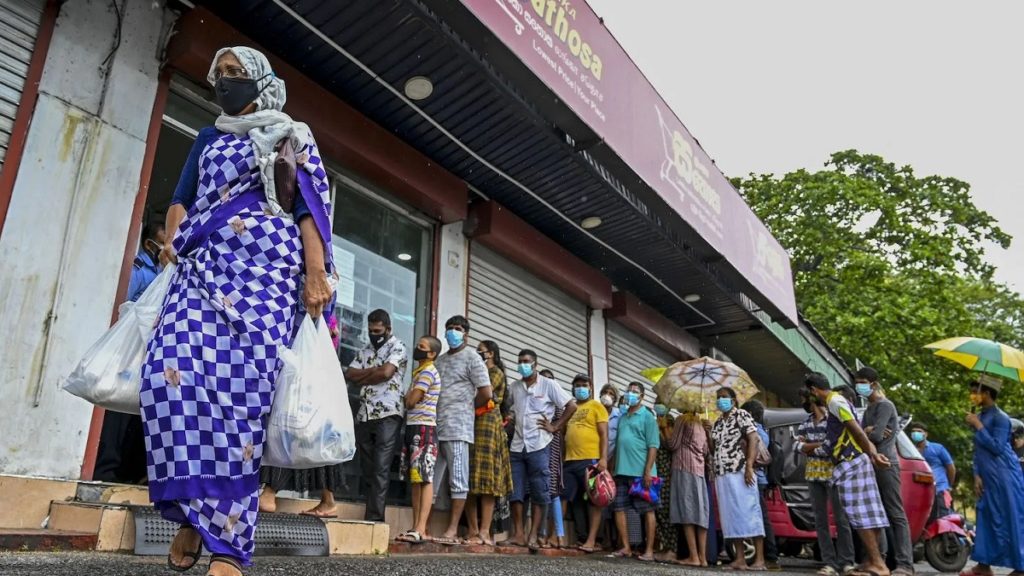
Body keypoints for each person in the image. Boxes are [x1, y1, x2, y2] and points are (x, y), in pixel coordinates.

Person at [145, 46, 335, 576]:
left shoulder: (291, 133)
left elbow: (309, 207)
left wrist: (315, 272)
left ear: (261, 80)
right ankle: (192, 508)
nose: (225, 81)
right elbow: (182, 198)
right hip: (202, 270)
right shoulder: (209, 137)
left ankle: (226, 545)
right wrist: (173, 239)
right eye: (220, 73)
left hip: (265, 281)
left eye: (236, 73)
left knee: (239, 404)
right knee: (167, 377)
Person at [94, 223, 167, 484]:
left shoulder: (163, 272)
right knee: (118, 411)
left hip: (148, 354)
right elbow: (121, 307)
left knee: (140, 413)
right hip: (128, 353)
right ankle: (106, 470)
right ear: (150, 245)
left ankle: (130, 472)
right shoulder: (139, 270)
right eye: (164, 240)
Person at [803, 373, 891, 576]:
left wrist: (873, 454)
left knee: (860, 515)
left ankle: (878, 563)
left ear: (813, 390)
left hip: (851, 462)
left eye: (809, 393)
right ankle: (872, 561)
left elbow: (857, 431)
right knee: (867, 513)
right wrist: (872, 454)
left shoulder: (835, 402)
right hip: (855, 461)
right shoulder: (837, 401)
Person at [342, 309, 409, 522]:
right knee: (368, 468)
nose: (373, 334)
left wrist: (368, 375)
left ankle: (375, 520)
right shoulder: (365, 350)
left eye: (378, 331)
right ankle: (370, 512)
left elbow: (386, 373)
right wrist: (374, 372)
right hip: (365, 414)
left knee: (381, 467)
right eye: (371, 331)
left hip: (389, 413)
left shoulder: (398, 347)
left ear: (388, 329)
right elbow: (350, 375)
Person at [504, 352, 576, 549]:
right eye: (520, 362)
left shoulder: (548, 384)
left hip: (539, 445)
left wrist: (556, 426)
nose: (522, 365)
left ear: (535, 364)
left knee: (540, 490)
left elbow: (571, 406)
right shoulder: (515, 387)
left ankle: (534, 535)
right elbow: (507, 408)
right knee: (515, 491)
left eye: (526, 362)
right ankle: (518, 534)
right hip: (517, 445)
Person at [431, 315, 492, 545]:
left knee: (458, 480)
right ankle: (424, 527)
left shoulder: (473, 358)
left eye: (457, 328)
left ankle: (452, 529)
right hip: (435, 425)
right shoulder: (440, 361)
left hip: (459, 428)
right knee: (431, 479)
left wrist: (466, 408)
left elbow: (486, 393)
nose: (452, 332)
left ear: (466, 333)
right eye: (449, 328)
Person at [962, 375, 1024, 576]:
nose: (972, 396)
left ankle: (1021, 567)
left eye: (975, 392)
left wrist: (978, 426)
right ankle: (983, 565)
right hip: (986, 475)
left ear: (987, 393)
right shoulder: (980, 415)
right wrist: (977, 474)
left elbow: (997, 447)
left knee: (1010, 517)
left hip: (1004, 474)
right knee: (985, 516)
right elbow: (978, 450)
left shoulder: (1001, 418)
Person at [856, 367, 914, 576]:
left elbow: (877, 436)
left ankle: (905, 564)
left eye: (862, 382)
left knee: (895, 514)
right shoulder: (869, 409)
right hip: (871, 464)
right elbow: (863, 437)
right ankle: (877, 560)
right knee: (875, 514)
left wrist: (868, 432)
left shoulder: (885, 405)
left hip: (887, 464)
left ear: (872, 384)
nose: (859, 386)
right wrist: (867, 431)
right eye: (857, 382)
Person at [795, 389, 856, 576]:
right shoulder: (805, 423)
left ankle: (847, 561)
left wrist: (810, 447)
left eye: (804, 399)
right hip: (813, 475)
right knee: (820, 521)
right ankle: (829, 563)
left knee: (841, 520)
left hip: (834, 475)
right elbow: (797, 446)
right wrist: (819, 446)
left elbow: (831, 447)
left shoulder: (832, 420)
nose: (803, 403)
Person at [708, 388, 766, 571]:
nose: (720, 400)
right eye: (718, 398)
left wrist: (749, 466)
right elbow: (714, 450)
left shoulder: (741, 415)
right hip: (722, 473)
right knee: (731, 516)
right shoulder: (717, 422)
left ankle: (760, 559)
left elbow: (753, 438)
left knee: (749, 512)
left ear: (733, 400)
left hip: (740, 470)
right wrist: (709, 434)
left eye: (724, 397)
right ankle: (740, 559)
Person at [463, 340, 512, 546]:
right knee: (468, 478)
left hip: (488, 426)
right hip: (471, 424)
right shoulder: (476, 371)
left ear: (491, 354)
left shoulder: (495, 373)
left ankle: (484, 530)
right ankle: (473, 529)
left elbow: (484, 393)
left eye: (481, 351)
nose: (477, 354)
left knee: (487, 480)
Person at [396, 335, 442, 544]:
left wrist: (410, 397)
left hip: (424, 428)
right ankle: (416, 527)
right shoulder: (420, 372)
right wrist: (410, 397)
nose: (417, 348)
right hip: (414, 427)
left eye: (422, 347)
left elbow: (411, 401)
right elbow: (410, 399)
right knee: (416, 479)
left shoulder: (428, 371)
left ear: (432, 353)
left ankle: (421, 527)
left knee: (424, 478)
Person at [611, 381, 660, 562]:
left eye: (635, 391)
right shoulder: (623, 417)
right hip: (621, 471)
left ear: (642, 396)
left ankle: (649, 550)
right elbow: (618, 444)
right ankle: (626, 547)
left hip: (641, 472)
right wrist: (612, 468)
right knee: (619, 508)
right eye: (629, 390)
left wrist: (648, 471)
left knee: (648, 511)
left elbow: (653, 446)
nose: (630, 394)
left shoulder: (647, 417)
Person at [563, 374, 609, 552]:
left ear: (590, 387)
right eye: (577, 385)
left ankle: (592, 540)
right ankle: (579, 537)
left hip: (590, 460)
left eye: (584, 385)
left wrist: (603, 459)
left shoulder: (597, 406)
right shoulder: (571, 408)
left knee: (593, 500)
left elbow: (604, 435)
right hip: (570, 460)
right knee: (571, 499)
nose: (580, 388)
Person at [667, 404, 710, 567]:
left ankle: (693, 556)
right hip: (699, 470)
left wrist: (665, 430)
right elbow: (705, 450)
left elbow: (672, 444)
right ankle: (703, 557)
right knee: (700, 513)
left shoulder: (681, 420)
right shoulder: (700, 423)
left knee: (686, 511)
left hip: (683, 467)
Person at [741, 399, 781, 571]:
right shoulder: (762, 430)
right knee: (759, 517)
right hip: (759, 479)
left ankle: (770, 556)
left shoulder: (755, 431)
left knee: (760, 518)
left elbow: (753, 456)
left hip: (755, 478)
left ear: (749, 414)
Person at [537, 369, 567, 549]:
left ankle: (558, 535)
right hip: (536, 446)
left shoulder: (557, 401)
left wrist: (553, 426)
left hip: (552, 447)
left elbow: (561, 423)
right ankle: (542, 534)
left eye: (550, 379)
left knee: (552, 491)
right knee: (540, 490)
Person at [908, 422, 957, 520]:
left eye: (919, 431)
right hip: (920, 492)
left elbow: (951, 468)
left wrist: (947, 486)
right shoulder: (909, 450)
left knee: (942, 519)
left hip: (939, 490)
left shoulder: (938, 448)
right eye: (913, 431)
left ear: (925, 434)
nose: (916, 433)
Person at [653, 403, 678, 562]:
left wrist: (664, 428)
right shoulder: (653, 421)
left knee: (666, 511)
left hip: (666, 471)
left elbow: (671, 445)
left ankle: (672, 549)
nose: (659, 406)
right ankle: (664, 546)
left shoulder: (670, 421)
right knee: (657, 510)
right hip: (654, 470)